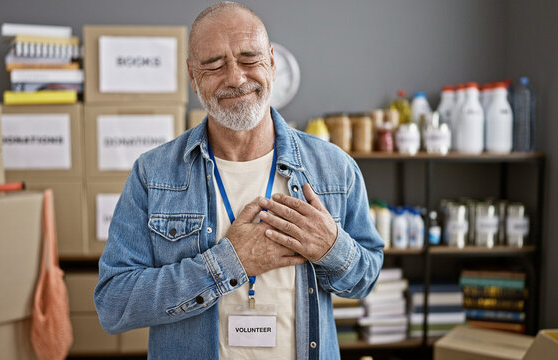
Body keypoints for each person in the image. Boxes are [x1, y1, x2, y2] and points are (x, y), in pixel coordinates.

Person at [94, 2, 384, 359]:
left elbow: (365, 279)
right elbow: (113, 304)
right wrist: (228, 264)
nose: (235, 77)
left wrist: (332, 247)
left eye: (249, 59)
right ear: (192, 75)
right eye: (214, 64)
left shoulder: (334, 169)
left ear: (272, 62)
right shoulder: (152, 175)